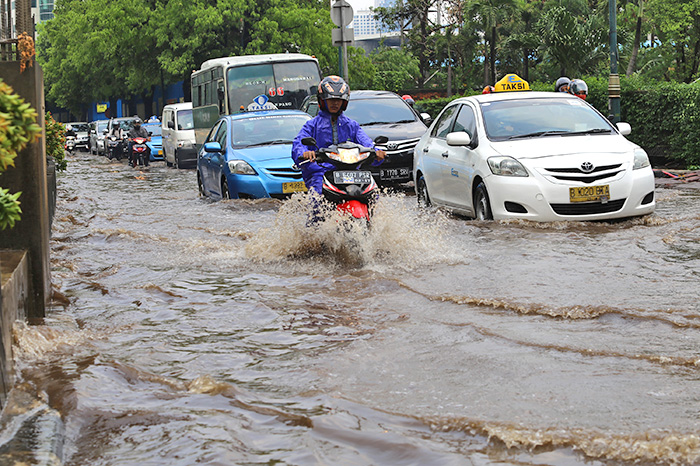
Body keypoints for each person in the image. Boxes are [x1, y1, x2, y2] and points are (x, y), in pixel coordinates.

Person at [292, 76, 386, 195]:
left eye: (338, 100)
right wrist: (304, 153)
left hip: (352, 173)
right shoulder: (311, 125)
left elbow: (366, 142)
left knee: (374, 194)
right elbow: (298, 144)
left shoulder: (351, 125)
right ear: (322, 100)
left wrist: (376, 151)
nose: (335, 103)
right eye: (331, 100)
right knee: (317, 198)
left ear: (344, 102)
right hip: (321, 172)